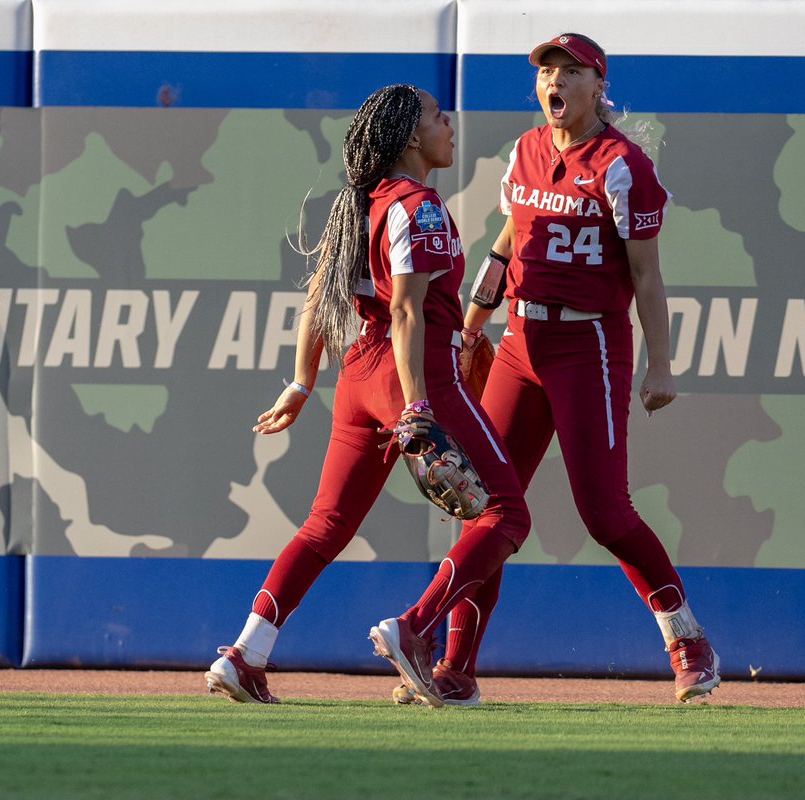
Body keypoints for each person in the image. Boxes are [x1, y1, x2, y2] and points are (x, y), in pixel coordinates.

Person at [205, 84, 531, 707]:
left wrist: (302, 382)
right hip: (416, 371)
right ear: (411, 137)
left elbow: (318, 297)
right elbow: (408, 313)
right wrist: (417, 405)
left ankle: (247, 652)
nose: (449, 123)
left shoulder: (359, 203)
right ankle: (416, 630)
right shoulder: (418, 207)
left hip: (357, 373)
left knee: (325, 525)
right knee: (508, 516)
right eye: (438, 116)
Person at [429, 33, 721, 705]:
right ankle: (455, 667)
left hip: (588, 344)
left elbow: (647, 276)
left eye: (568, 71)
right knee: (484, 508)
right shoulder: (527, 150)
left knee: (605, 514)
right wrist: (473, 323)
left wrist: (662, 365)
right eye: (545, 71)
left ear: (598, 86)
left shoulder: (622, 164)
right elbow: (505, 246)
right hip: (520, 339)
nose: (552, 81)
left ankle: (687, 639)